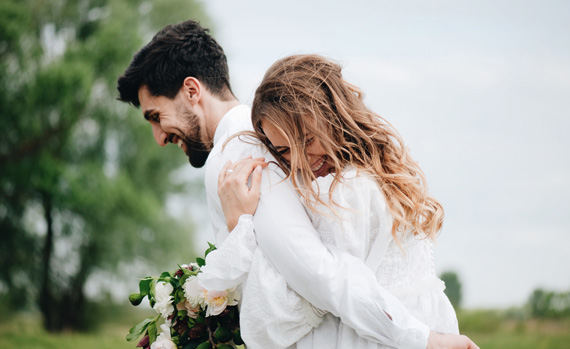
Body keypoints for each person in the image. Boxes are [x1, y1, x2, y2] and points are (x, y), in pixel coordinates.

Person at [116, 19, 478, 349]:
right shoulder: (257, 136)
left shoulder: (239, 151)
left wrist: (424, 340)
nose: (159, 137)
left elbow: (319, 273)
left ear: (193, 91)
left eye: (156, 116)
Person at [215, 54, 463, 348]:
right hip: (420, 326)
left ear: (334, 116)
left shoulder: (344, 192)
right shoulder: (385, 173)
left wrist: (240, 226)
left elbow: (293, 305)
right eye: (283, 151)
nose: (301, 162)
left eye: (307, 140)